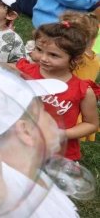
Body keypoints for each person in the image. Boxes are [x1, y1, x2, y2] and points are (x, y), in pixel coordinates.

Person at [17, 21, 100, 162]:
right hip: (21, 142)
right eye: (39, 50)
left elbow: (91, 124)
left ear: (75, 59)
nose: (43, 58)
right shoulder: (24, 71)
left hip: (57, 152)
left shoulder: (83, 90)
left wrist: (62, 134)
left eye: (53, 55)